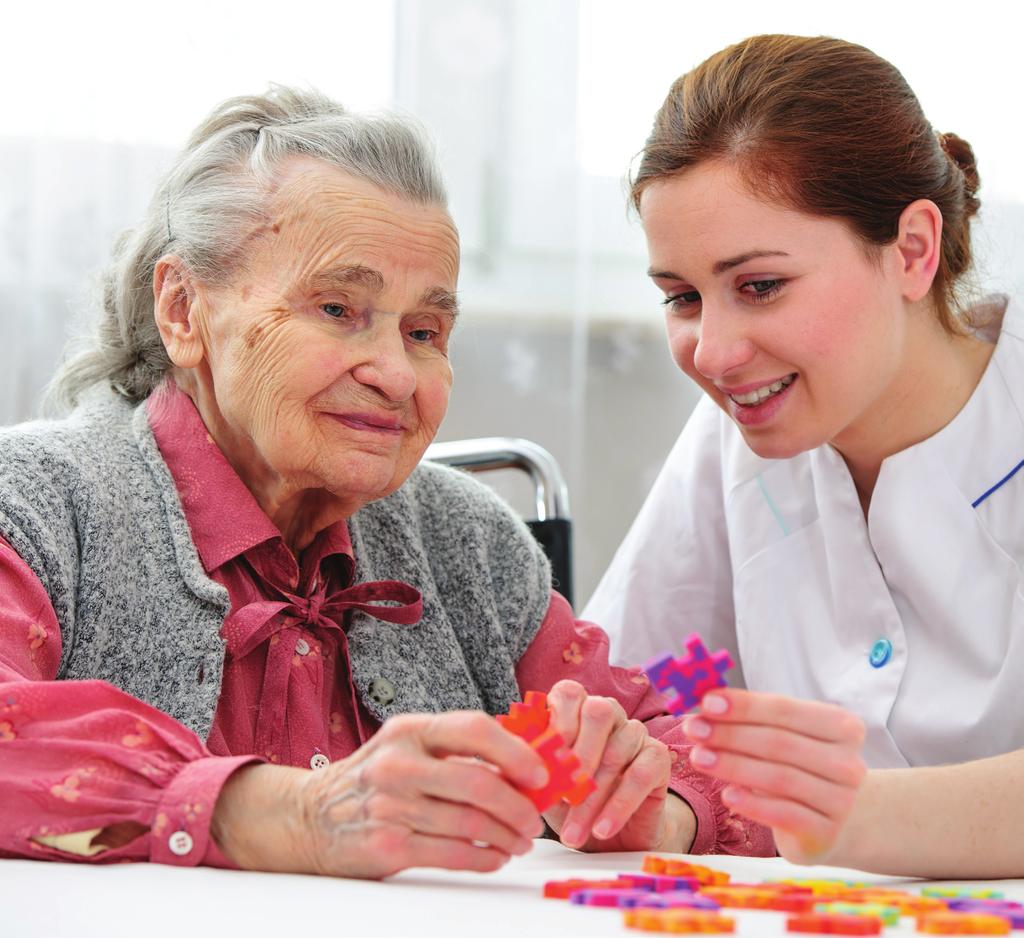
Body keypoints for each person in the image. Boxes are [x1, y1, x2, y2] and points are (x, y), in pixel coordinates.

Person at [0, 85, 797, 878]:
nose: (393, 373)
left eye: (425, 332)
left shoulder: (472, 546)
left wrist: (650, 807)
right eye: (338, 308)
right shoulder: (34, 504)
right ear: (182, 309)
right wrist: (288, 815)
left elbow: (708, 762)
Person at [584, 33, 1024, 879]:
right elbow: (634, 696)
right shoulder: (739, 434)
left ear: (912, 250)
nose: (713, 353)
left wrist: (852, 818)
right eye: (681, 297)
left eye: (760, 286)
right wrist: (648, 796)